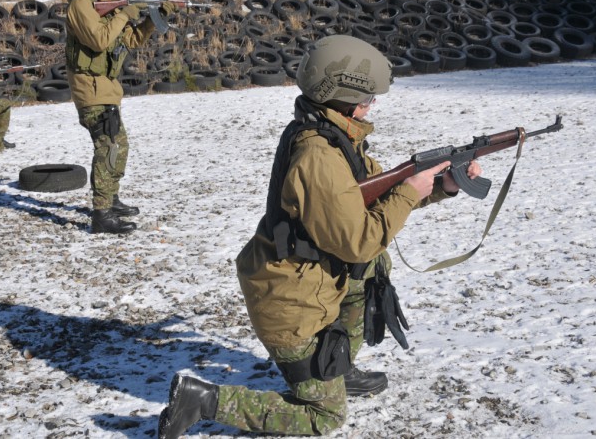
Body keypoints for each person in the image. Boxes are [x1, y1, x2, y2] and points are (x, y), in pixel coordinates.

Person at [158, 35, 483, 437]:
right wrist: (409, 193)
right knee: (324, 416)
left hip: (313, 280)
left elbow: (382, 197)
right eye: (368, 98)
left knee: (372, 269)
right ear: (343, 98)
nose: (372, 105)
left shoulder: (335, 137)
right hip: (289, 304)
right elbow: (358, 240)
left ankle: (338, 369)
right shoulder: (319, 156)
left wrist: (441, 186)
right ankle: (202, 400)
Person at [65, 0, 178, 234]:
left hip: (105, 87)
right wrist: (125, 12)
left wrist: (156, 17)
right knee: (108, 145)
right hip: (90, 87)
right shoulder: (81, 4)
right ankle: (101, 214)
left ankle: (111, 199)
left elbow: (132, 39)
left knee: (119, 144)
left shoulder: (110, 6)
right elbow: (99, 40)